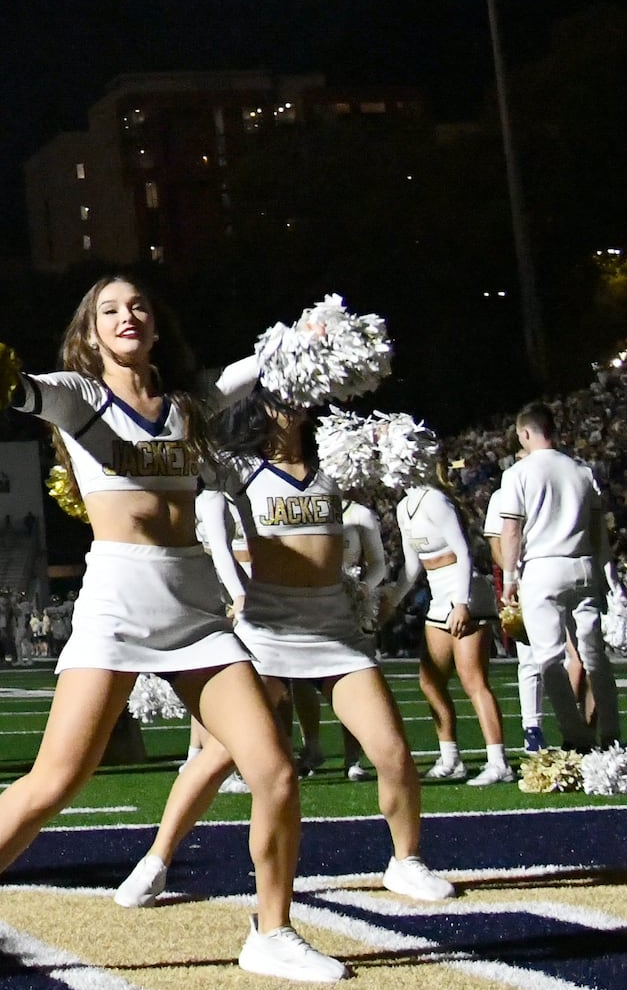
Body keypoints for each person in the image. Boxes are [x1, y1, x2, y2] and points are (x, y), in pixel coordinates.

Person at [0, 275, 339, 990]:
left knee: (275, 769)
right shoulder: (81, 396)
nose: (126, 317)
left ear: (155, 327)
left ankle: (272, 930)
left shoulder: (185, 408)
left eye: (137, 307)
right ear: (90, 331)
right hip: (118, 603)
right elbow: (22, 391)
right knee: (56, 780)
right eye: (109, 310)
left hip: (196, 609)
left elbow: (239, 378)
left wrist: (300, 338)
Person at [123, 372, 454, 908]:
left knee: (392, 751)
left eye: (298, 399)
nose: (292, 407)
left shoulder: (335, 467)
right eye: (279, 400)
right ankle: (157, 858)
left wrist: (391, 440)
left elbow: (403, 465)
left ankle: (406, 861)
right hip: (267, 632)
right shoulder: (240, 470)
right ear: (260, 409)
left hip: (335, 634)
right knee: (220, 753)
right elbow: (185, 452)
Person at [486, 406, 618, 756]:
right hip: (583, 563)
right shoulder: (581, 471)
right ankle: (612, 732)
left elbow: (511, 530)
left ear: (526, 433)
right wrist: (606, 572)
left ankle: (576, 736)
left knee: (548, 658)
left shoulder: (518, 473)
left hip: (543, 567)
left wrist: (510, 577)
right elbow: (597, 530)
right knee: (594, 656)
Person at [394, 454, 510, 783]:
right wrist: (390, 599)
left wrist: (461, 604)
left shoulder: (436, 500)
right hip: (439, 597)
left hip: (465, 593)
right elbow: (412, 566)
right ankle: (450, 758)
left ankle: (499, 762)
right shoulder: (405, 507)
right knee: (429, 681)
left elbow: (463, 553)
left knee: (473, 681)